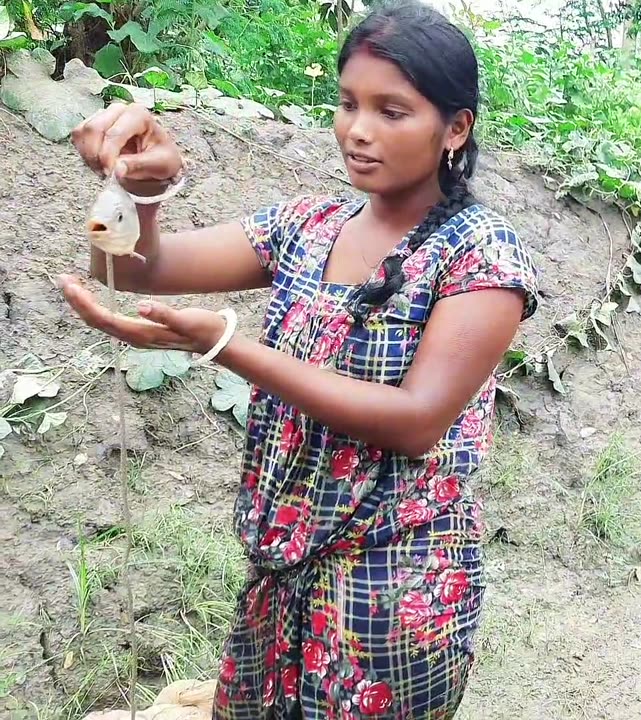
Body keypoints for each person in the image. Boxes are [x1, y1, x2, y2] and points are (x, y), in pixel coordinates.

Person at [58, 2, 539, 718]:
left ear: (455, 128)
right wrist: (136, 188)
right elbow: (128, 269)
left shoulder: (480, 255)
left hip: (394, 591)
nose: (359, 130)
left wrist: (223, 345)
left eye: (393, 111)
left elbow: (414, 423)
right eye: (348, 103)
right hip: (280, 573)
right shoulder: (307, 225)